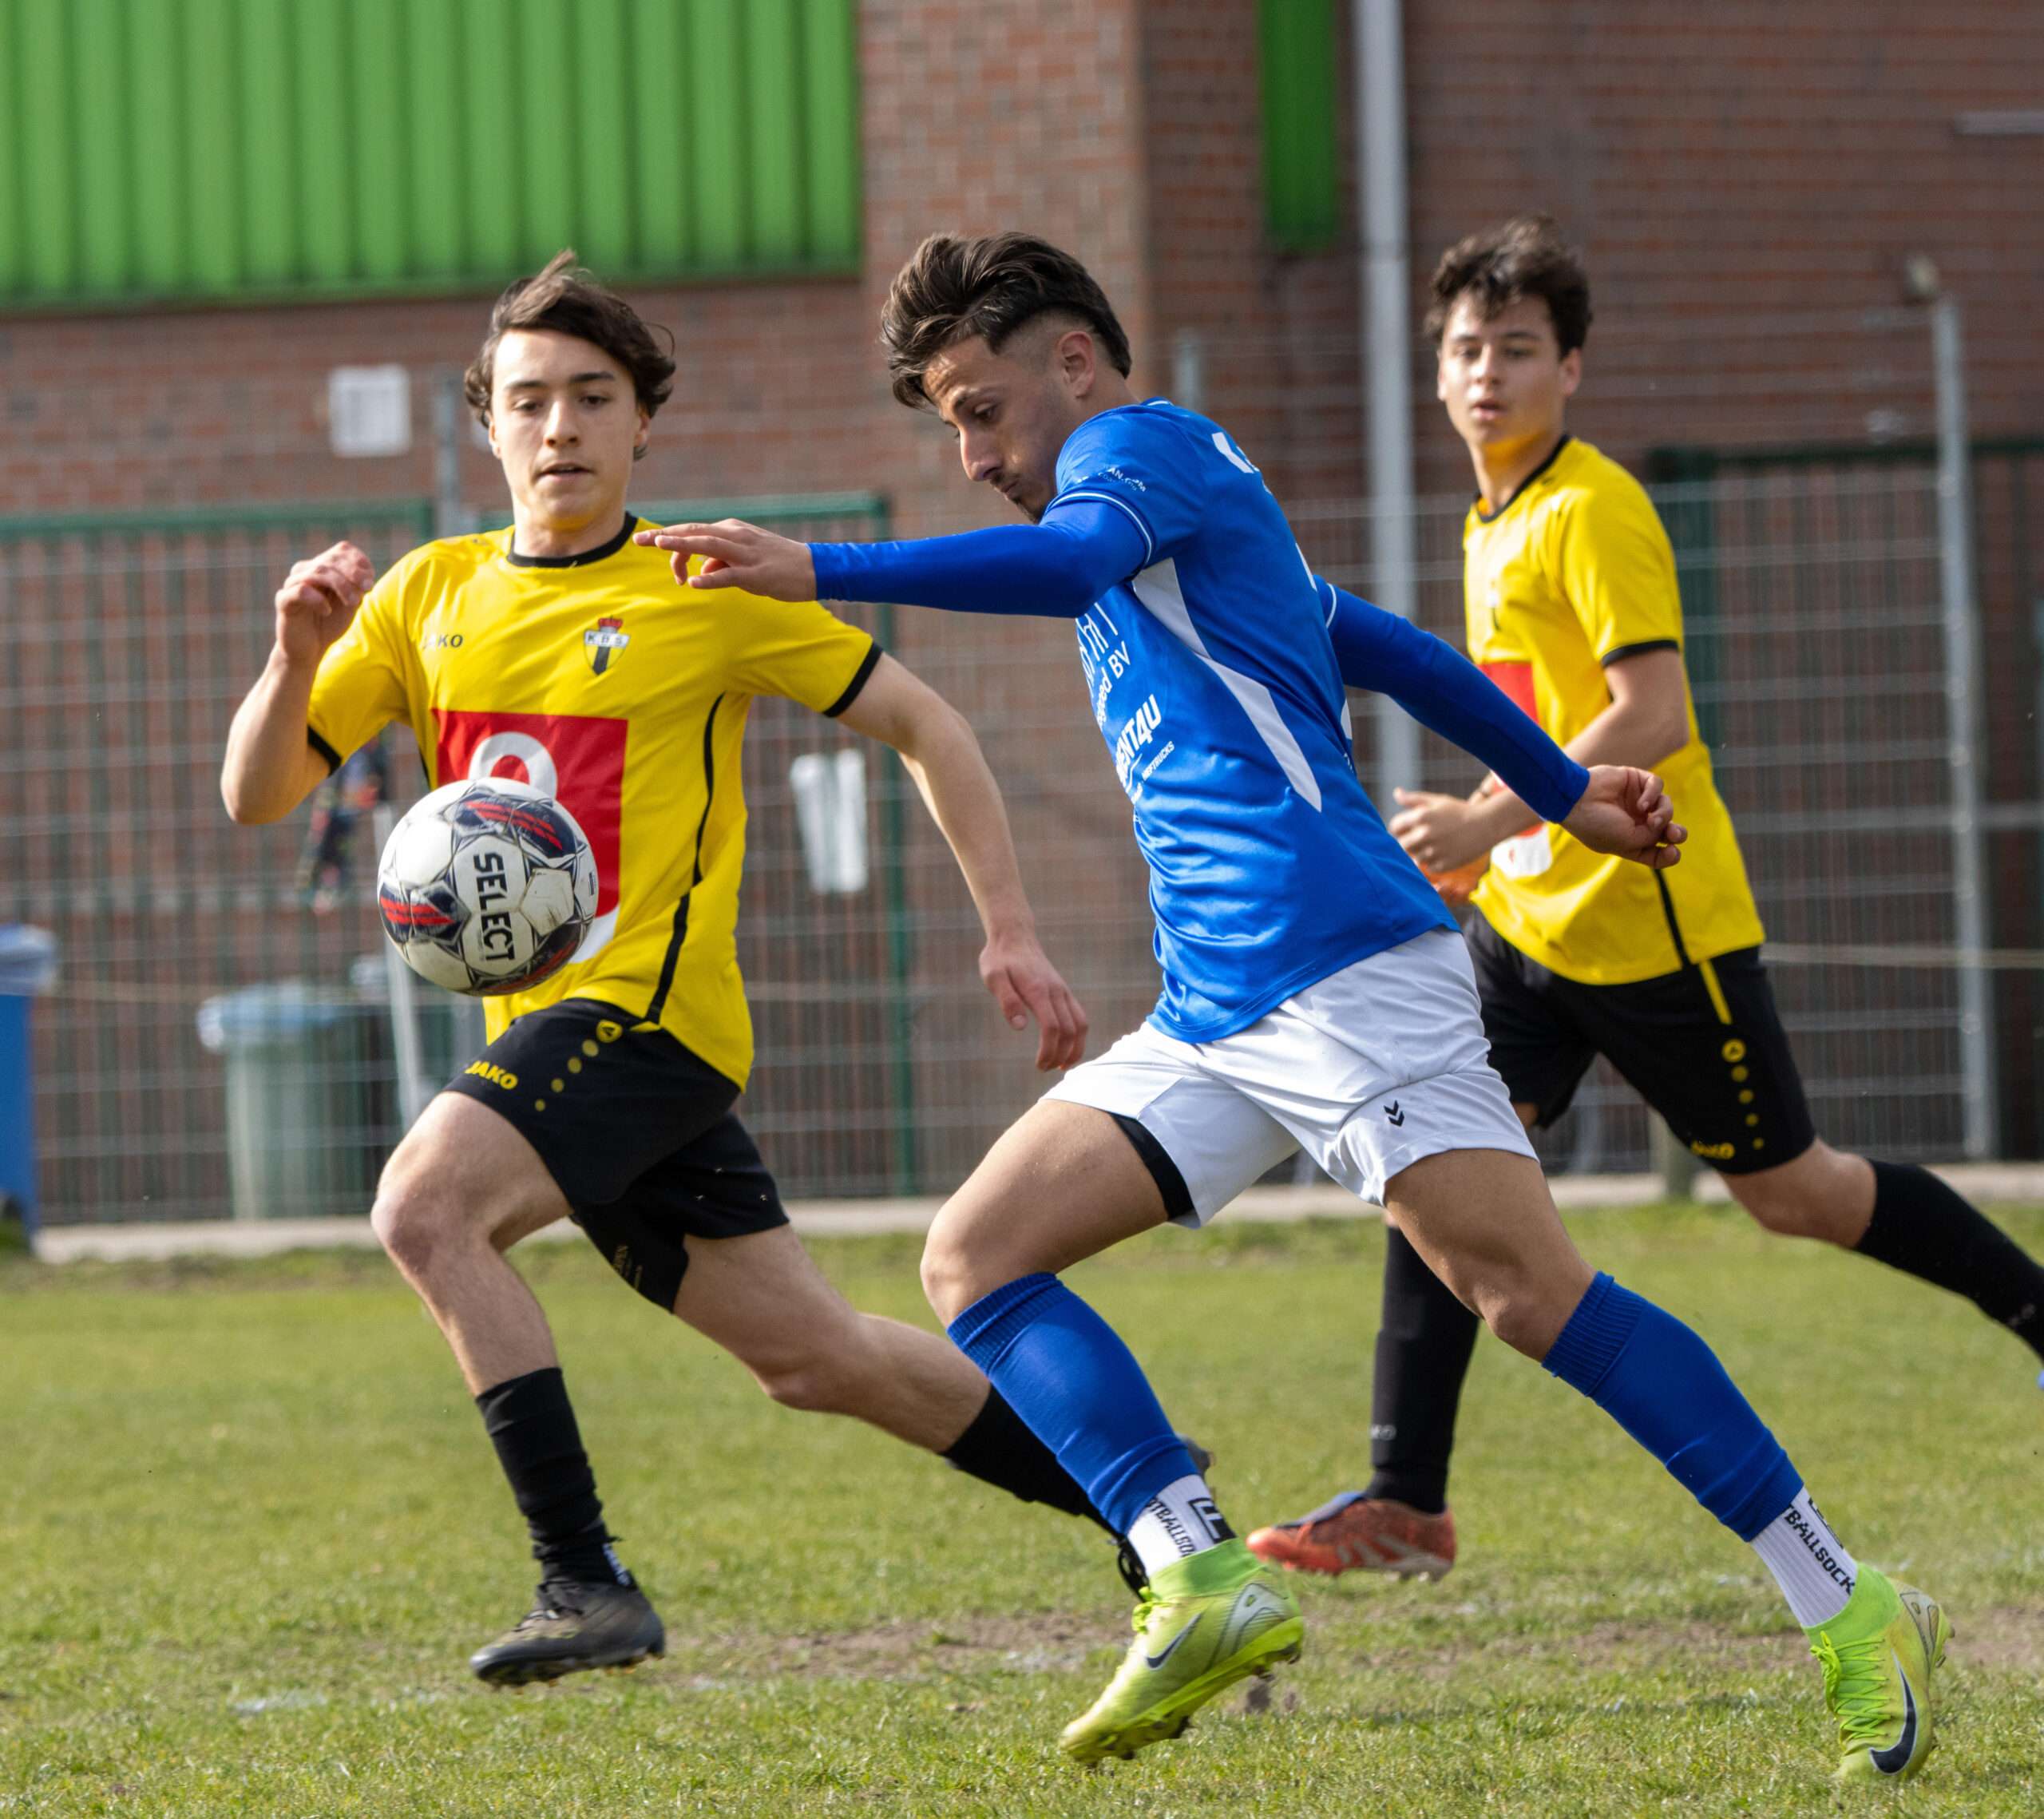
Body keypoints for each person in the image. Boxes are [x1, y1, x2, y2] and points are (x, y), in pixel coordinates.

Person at [636, 232, 1948, 1782]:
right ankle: (1194, 1571)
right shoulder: (1169, 503)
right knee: (976, 1256)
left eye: (980, 410)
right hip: (1218, 1001)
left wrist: (823, 565)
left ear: (1072, 363)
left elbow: (1068, 568)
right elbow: (1380, 642)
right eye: (951, 427)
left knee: (1530, 1295)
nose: (974, 455)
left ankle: (1848, 1597)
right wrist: (1562, 791)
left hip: (1342, 968)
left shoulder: (1131, 455)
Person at [220, 250, 1147, 1689]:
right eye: (531, 400)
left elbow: (931, 726)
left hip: (648, 1025)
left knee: (424, 1206)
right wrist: (294, 655)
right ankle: (1162, 1507)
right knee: (819, 1358)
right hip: (553, 1045)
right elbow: (257, 793)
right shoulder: (424, 596)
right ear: (489, 425)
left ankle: (582, 1579)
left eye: (595, 396)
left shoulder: (700, 584)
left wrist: (1010, 927)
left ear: (643, 422)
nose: (561, 427)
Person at [1246, 216, 2044, 1600]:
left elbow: (1653, 712)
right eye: (1466, 349)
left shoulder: (1592, 506)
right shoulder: (1493, 517)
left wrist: (1486, 818)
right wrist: (1492, 848)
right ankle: (1405, 1497)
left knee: (1794, 1192)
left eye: (1517, 349)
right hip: (1529, 931)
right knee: (1437, 1177)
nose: (1486, 372)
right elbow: (1546, 714)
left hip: (1654, 927)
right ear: (1435, 370)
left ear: (1572, 369)